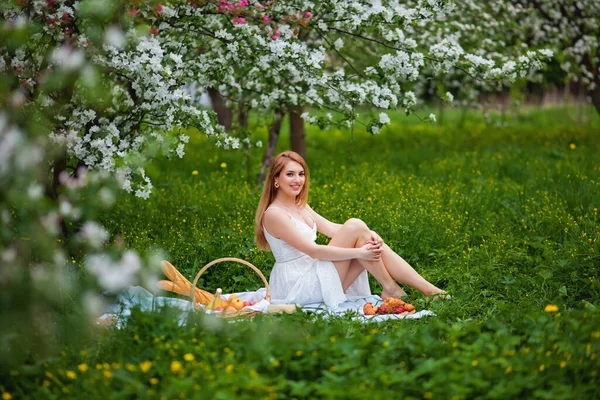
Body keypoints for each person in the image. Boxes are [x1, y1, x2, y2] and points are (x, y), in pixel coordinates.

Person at [255, 151, 448, 309]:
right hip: (297, 285)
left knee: (363, 233)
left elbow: (332, 229)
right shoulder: (274, 214)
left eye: (301, 174)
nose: (298, 180)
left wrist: (371, 235)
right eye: (290, 174)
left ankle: (424, 290)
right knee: (356, 228)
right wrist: (359, 251)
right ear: (276, 180)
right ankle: (396, 288)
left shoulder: (300, 206)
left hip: (314, 271)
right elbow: (314, 251)